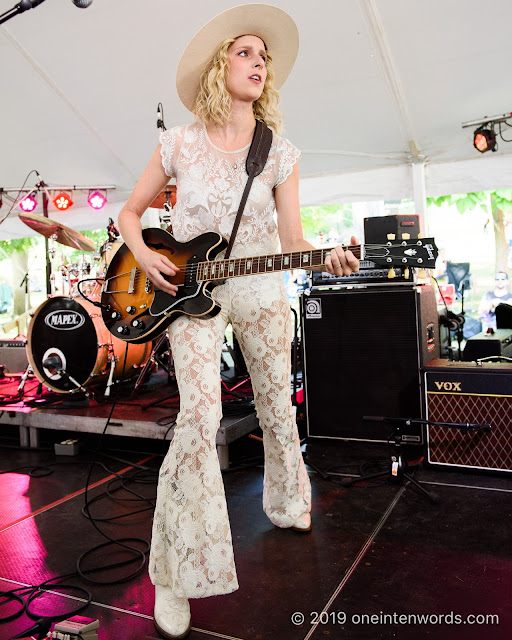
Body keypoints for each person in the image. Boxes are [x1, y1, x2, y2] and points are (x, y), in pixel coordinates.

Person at [117, 5, 359, 638]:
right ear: (219, 63)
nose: (259, 62)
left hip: (258, 283)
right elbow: (130, 213)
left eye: (264, 57)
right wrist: (144, 253)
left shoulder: (279, 150)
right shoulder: (178, 143)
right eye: (247, 52)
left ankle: (287, 501)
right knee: (200, 417)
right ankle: (176, 575)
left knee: (278, 404)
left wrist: (322, 258)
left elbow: (293, 237)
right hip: (192, 288)